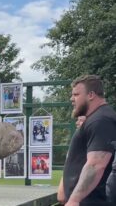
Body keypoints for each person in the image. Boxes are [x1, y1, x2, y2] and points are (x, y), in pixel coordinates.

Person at [57, 75, 116, 206]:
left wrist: (74, 200)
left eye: (76, 94)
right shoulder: (95, 119)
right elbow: (78, 158)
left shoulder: (101, 120)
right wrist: (64, 191)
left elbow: (96, 165)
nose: (71, 99)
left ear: (91, 95)